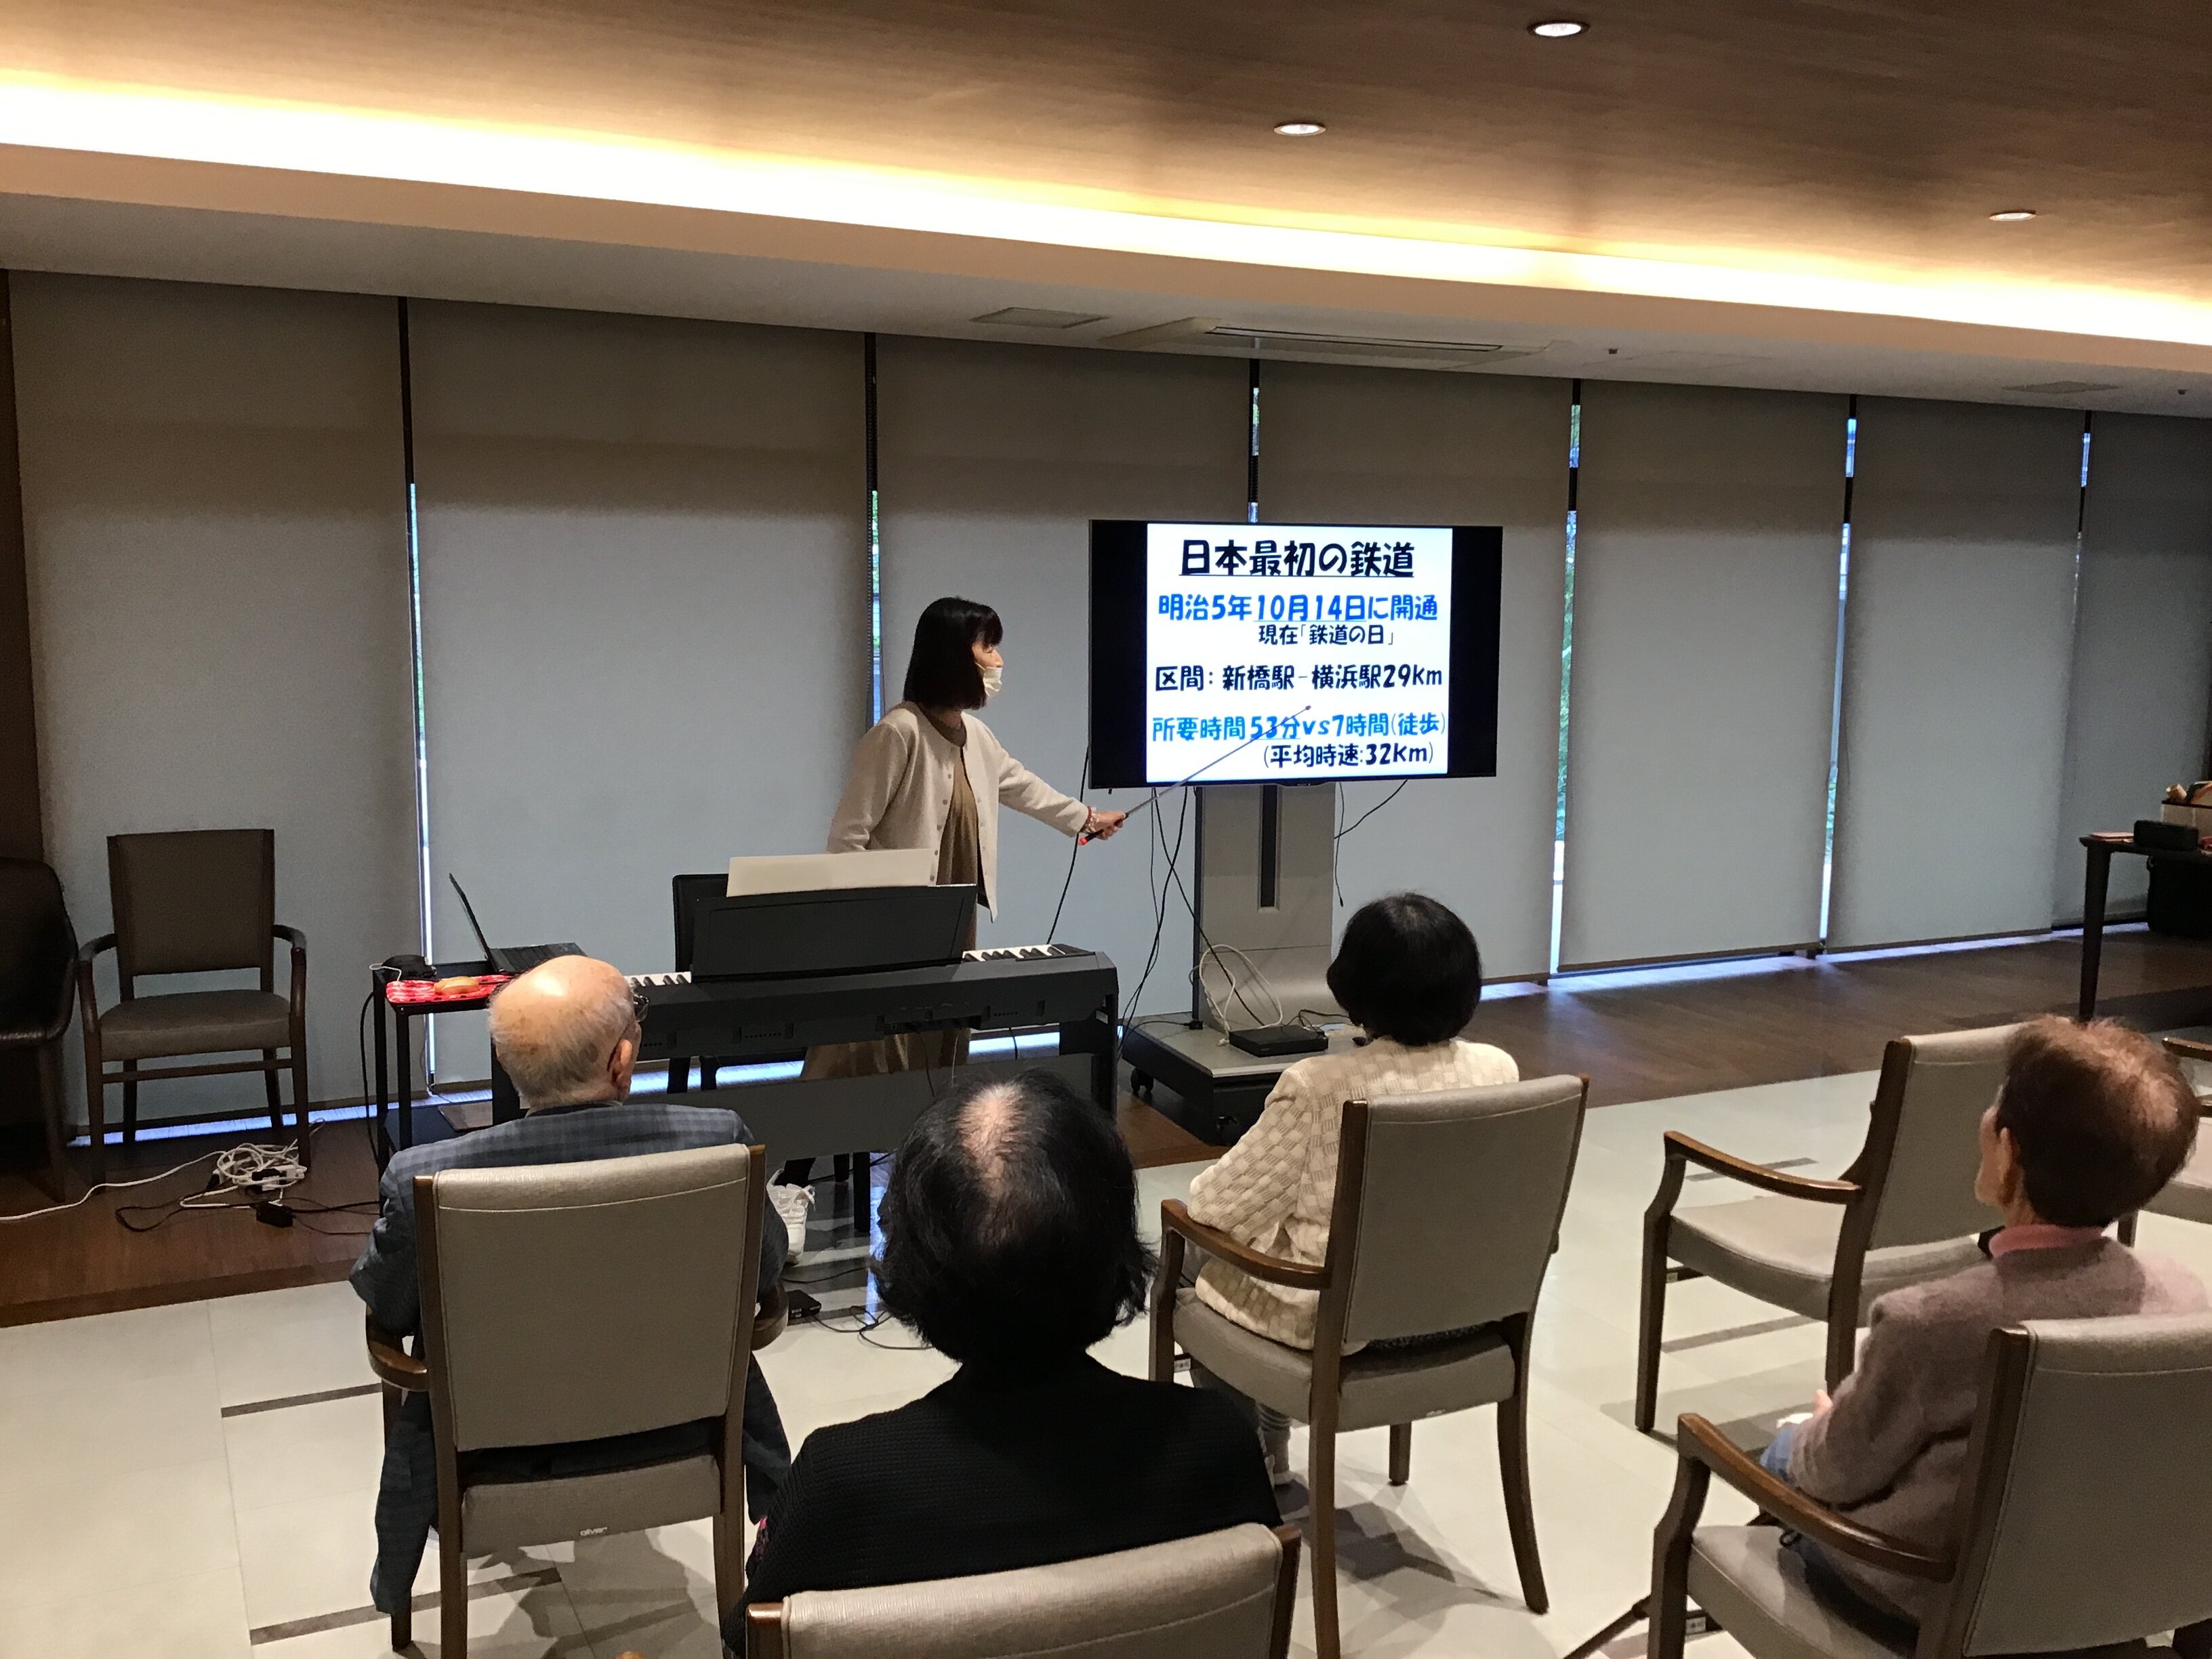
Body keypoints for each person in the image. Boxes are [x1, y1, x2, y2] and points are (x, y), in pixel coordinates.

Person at [729, 1069, 1277, 1638]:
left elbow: (749, 1639)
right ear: (1114, 1244)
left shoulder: (838, 1487)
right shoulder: (1218, 1446)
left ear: (913, 1265)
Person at [351, 956, 793, 1618]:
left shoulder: (428, 1179)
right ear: (622, 1060)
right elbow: (765, 1273)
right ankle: (776, 1551)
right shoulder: (716, 1144)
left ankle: (398, 1590)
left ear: (508, 1063)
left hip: (494, 1440)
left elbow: (388, 1308)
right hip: (680, 1421)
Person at [1761, 1015, 2205, 1633]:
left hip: (1929, 1604)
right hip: (2096, 1597)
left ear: (2009, 1151)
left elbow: (1836, 1471)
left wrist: (1812, 1430)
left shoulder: (1931, 1322)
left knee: (1785, 1449)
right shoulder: (2185, 1299)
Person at [774, 596, 1126, 1210]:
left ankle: (921, 1187)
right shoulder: (899, 732)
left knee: (939, 1051)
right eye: (987, 647)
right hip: (887, 929)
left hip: (952, 925)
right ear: (953, 656)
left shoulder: (977, 736)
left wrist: (1085, 819)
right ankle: (791, 1182)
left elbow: (1021, 787)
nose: (998, 660)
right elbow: (848, 836)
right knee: (853, 1053)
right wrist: (856, 919)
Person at [1181, 892, 1516, 1479]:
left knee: (1188, 1258)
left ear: (1354, 988)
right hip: (1464, 1314)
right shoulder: (1497, 1070)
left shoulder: (1319, 1086)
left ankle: (1251, 1457)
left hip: (1343, 1329)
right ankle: (1270, 1437)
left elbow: (1214, 1207)